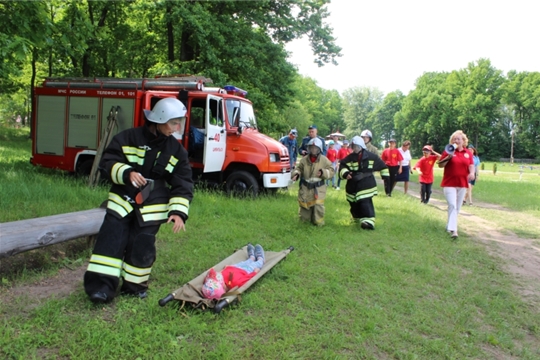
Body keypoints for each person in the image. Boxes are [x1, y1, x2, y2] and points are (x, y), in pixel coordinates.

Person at [84, 97, 194, 304]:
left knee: (142, 246)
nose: (178, 127)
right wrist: (127, 173)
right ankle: (100, 288)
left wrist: (178, 212)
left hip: (152, 207)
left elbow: (183, 182)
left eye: (180, 122)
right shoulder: (128, 137)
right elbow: (107, 162)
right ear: (159, 119)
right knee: (110, 242)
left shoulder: (177, 151)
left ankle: (134, 287)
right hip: (122, 202)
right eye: (174, 122)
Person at [338, 136, 389, 229]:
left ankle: (368, 222)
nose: (355, 148)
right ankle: (356, 218)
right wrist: (345, 173)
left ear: (361, 146)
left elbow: (383, 166)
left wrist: (385, 176)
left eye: (356, 146)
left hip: (366, 184)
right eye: (353, 146)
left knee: (365, 202)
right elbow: (342, 166)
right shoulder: (349, 158)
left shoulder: (372, 157)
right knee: (353, 203)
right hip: (353, 184)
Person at [439, 130, 475, 238]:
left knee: (457, 207)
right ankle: (454, 231)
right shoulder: (448, 151)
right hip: (449, 183)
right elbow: (441, 165)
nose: (456, 140)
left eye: (458, 139)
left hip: (462, 183)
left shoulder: (467, 153)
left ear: (463, 141)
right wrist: (448, 157)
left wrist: (472, 173)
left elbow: (471, 165)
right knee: (453, 205)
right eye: (454, 139)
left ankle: (449, 225)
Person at [291, 137, 334, 225]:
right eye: (312, 147)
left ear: (319, 149)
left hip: (318, 189)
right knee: (304, 208)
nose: (313, 149)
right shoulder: (304, 159)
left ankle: (319, 224)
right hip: (305, 188)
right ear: (309, 148)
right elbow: (298, 168)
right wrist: (296, 174)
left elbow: (332, 171)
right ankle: (305, 222)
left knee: (318, 207)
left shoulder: (324, 160)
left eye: (315, 148)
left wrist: (323, 172)